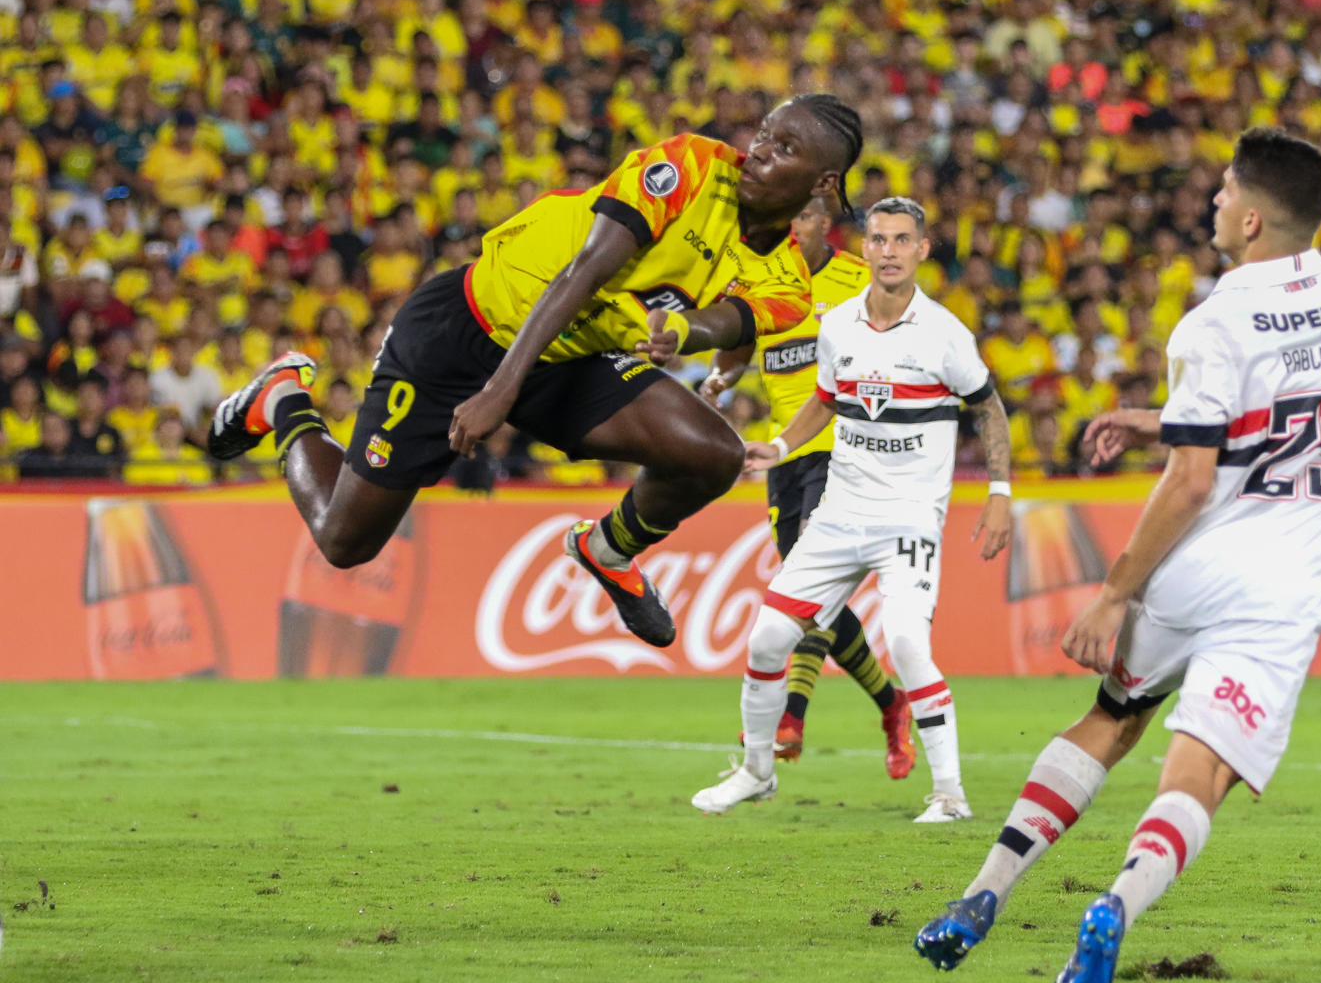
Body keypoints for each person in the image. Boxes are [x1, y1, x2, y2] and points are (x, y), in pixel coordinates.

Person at [913, 130, 1321, 983]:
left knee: (1113, 714)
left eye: (1220, 192)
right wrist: (1163, 418)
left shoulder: (1212, 322)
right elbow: (1291, 412)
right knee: (1197, 770)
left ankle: (984, 890)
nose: (1209, 202)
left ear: (1250, 219)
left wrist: (1113, 591)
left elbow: (1196, 476)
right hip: (1282, 584)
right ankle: (1113, 909)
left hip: (1189, 568)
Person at [206, 96, 862, 650]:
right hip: (467, 327)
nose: (760, 151)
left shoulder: (791, 286)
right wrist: (498, 388)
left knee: (712, 453)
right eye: (765, 134)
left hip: (569, 356)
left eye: (785, 148)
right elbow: (585, 271)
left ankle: (607, 550)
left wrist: (685, 331)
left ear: (823, 183)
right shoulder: (690, 163)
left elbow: (730, 324)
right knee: (345, 541)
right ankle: (284, 398)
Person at [692, 197, 1014, 823]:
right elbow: (824, 397)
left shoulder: (946, 333)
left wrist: (999, 495)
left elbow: (989, 408)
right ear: (863, 248)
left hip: (909, 518)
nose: (888, 251)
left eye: (901, 240)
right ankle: (757, 773)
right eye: (878, 239)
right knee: (766, 640)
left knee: (905, 642)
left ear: (922, 250)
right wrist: (781, 445)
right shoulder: (838, 324)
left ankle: (949, 793)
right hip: (841, 511)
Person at [701, 195, 915, 779]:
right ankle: (892, 705)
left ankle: (789, 715)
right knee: (810, 588)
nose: (790, 229)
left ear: (826, 224)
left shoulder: (856, 278)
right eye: (784, 219)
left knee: (805, 575)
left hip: (846, 446)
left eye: (800, 218)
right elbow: (739, 346)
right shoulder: (762, 280)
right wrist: (717, 380)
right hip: (785, 453)